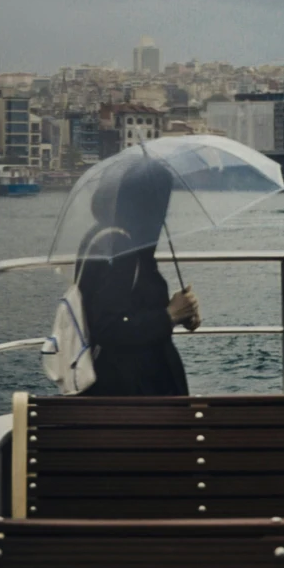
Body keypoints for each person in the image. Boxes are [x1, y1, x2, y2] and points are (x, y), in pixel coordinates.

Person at [76, 157, 200, 396]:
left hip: (131, 388)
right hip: (132, 392)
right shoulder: (120, 246)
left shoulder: (109, 237)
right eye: (160, 197)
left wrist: (181, 312)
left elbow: (133, 306)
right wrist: (169, 316)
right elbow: (108, 326)